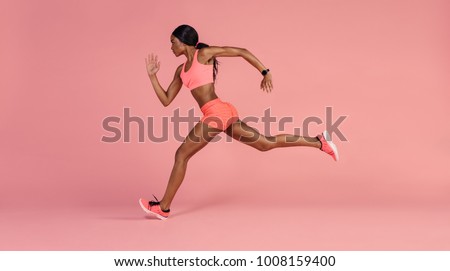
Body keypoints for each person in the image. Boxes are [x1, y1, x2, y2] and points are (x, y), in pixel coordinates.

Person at [139, 24, 338, 220]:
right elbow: (166, 100)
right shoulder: (180, 71)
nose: (171, 47)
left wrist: (265, 72)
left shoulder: (204, 54)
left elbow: (241, 52)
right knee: (265, 144)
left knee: (181, 155)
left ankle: (163, 208)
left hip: (217, 112)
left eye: (173, 42)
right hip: (219, 112)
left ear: (183, 42)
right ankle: (320, 142)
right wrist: (152, 77)